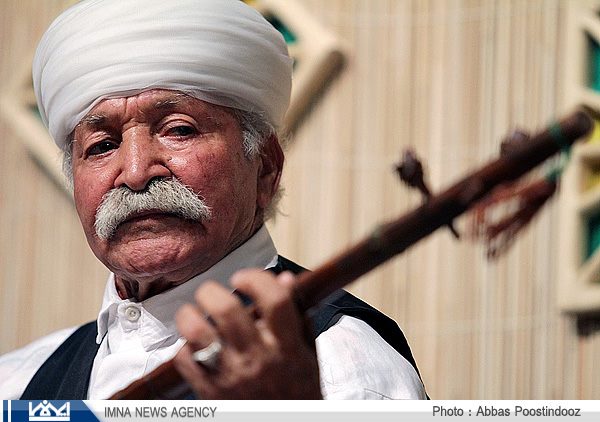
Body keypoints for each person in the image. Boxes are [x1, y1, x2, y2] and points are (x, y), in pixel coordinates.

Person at [0, 0, 427, 400]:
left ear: (265, 166)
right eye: (102, 146)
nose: (135, 172)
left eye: (178, 130)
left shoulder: (340, 364)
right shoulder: (18, 382)